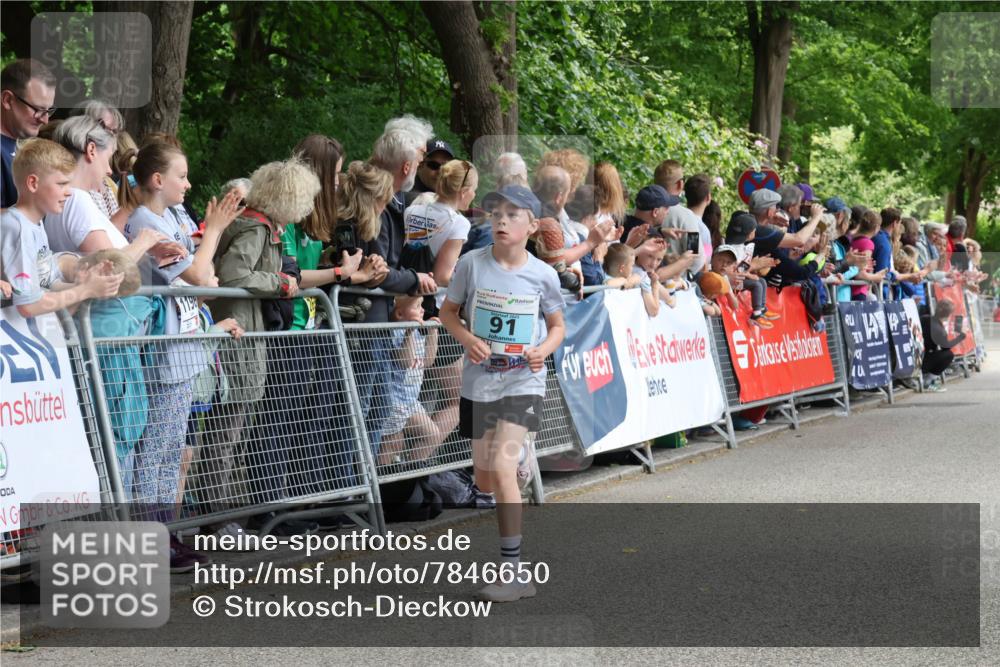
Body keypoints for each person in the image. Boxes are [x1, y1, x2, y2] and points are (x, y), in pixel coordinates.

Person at [440, 183, 565, 603]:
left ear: (531, 225)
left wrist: (540, 351)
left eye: (513, 215)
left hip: (523, 380)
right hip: (480, 380)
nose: (501, 220)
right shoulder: (472, 265)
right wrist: (467, 339)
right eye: (496, 214)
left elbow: (558, 327)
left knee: (502, 464)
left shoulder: (543, 274)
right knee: (485, 479)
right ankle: (522, 457)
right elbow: (448, 313)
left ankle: (513, 573)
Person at [205, 158, 321, 535]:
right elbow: (235, 274)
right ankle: (216, 520)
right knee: (224, 435)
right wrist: (282, 283)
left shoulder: (258, 226)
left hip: (244, 332)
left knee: (227, 434)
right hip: (240, 337)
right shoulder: (256, 228)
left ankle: (215, 517)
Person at [1, 138, 124, 317]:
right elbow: (28, 306)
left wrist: (85, 284)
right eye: (61, 184)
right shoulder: (18, 227)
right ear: (33, 183)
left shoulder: (35, 225)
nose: (69, 191)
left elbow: (47, 294)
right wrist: (86, 290)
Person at [379, 295, 454, 467]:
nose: (423, 310)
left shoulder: (419, 332)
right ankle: (382, 481)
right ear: (399, 314)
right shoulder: (396, 332)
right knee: (392, 444)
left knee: (432, 434)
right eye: (418, 306)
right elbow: (405, 361)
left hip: (411, 402)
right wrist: (409, 332)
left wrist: (432, 333)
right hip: (394, 403)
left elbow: (427, 361)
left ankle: (410, 471)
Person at [402, 158, 478, 312]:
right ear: (463, 192)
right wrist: (472, 282)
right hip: (430, 304)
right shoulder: (458, 223)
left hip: (403, 295)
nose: (474, 194)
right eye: (474, 189)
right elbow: (442, 276)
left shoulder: (411, 211)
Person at [2, 59, 57, 208]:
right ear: (7, 100)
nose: (45, 120)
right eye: (38, 109)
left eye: (49, 111)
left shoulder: (23, 146)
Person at [723, 213, 781, 328]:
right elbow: (737, 270)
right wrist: (751, 270)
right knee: (756, 285)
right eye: (754, 230)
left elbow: (742, 268)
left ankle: (762, 309)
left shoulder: (742, 246)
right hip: (733, 282)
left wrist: (751, 271)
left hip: (740, 277)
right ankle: (756, 315)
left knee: (762, 281)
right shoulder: (732, 248)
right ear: (749, 234)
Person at [920, 298, 966, 390]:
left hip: (916, 356)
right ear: (949, 314)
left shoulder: (924, 318)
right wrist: (960, 337)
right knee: (948, 355)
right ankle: (928, 381)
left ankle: (926, 378)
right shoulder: (940, 330)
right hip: (923, 362)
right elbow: (945, 347)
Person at [405, 138, 456, 205]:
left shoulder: (452, 195)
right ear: (420, 164)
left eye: (447, 167)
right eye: (434, 165)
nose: (440, 172)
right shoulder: (408, 193)